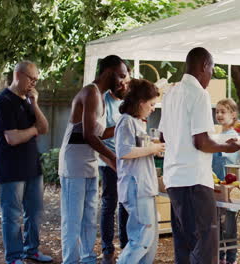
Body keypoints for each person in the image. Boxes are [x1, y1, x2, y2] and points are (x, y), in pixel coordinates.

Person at [158, 47, 240, 264]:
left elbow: (162, 136)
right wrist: (227, 146)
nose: (211, 75)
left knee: (184, 246)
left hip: (174, 180)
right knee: (206, 248)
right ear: (204, 66)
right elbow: (201, 142)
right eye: (212, 69)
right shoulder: (199, 94)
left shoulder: (170, 94)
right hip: (194, 180)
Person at [58, 55, 128, 264]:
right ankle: (70, 261)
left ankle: (88, 259)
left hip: (89, 165)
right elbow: (88, 135)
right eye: (122, 76)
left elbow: (100, 134)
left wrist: (125, 123)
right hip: (74, 165)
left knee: (89, 218)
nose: (124, 81)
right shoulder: (90, 92)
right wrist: (114, 157)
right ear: (109, 72)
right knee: (73, 220)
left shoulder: (103, 97)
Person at [0, 61, 51, 264]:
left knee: (34, 212)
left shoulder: (27, 100)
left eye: (36, 79)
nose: (33, 83)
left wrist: (35, 103)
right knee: (13, 214)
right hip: (10, 168)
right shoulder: (3, 101)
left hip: (32, 166)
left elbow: (45, 127)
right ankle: (14, 257)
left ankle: (31, 250)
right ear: (18, 74)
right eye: (31, 79)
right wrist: (33, 130)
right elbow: (12, 138)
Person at [115, 79, 164, 264]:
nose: (153, 108)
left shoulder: (136, 122)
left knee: (150, 239)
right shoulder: (126, 121)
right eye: (151, 104)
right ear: (141, 102)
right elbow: (124, 151)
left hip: (145, 187)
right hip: (136, 187)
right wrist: (151, 149)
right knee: (142, 237)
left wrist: (153, 146)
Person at [99, 66, 131, 264]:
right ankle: (107, 250)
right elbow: (100, 133)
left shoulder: (130, 101)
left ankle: (127, 248)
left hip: (128, 159)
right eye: (121, 80)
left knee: (126, 204)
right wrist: (122, 124)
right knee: (109, 204)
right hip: (109, 158)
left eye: (126, 80)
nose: (124, 85)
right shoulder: (103, 100)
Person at [212, 98, 240, 264]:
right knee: (217, 226)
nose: (219, 115)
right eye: (217, 111)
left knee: (229, 227)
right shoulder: (218, 135)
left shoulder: (233, 136)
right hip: (216, 186)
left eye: (224, 112)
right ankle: (220, 257)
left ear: (233, 114)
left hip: (229, 187)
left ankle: (231, 259)